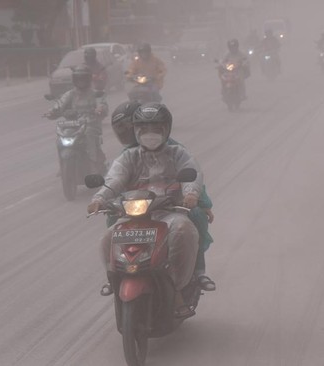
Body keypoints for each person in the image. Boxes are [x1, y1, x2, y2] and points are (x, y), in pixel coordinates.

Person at [88, 103, 210, 316]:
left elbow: (192, 173)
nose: (150, 135)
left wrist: (191, 194)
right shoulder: (128, 156)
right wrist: (99, 198)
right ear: (136, 131)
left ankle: (180, 287)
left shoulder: (178, 152)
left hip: (171, 213)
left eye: (156, 129)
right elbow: (113, 179)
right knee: (107, 239)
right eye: (144, 129)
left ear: (166, 130)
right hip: (135, 214)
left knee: (184, 231)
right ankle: (112, 277)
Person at [44, 65, 108, 174]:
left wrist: (99, 109)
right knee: (61, 139)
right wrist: (51, 112)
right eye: (78, 79)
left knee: (89, 135)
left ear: (88, 79)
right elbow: (59, 104)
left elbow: (102, 104)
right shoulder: (70, 94)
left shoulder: (95, 93)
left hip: (91, 124)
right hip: (73, 125)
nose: (81, 82)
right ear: (74, 80)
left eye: (83, 79)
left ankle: (93, 164)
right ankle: (63, 163)